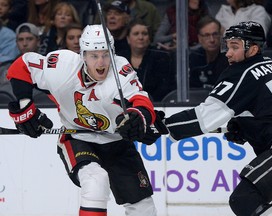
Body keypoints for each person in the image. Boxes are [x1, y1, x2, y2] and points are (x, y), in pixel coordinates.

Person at [6, 24, 167, 216]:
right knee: (95, 182)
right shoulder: (63, 65)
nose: (101, 62)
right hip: (78, 139)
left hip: (117, 142)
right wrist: (25, 107)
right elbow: (22, 66)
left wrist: (138, 118)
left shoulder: (120, 71)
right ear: (82, 55)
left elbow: (141, 101)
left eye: (105, 55)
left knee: (143, 207)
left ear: (113, 54)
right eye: (94, 55)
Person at [164, 21, 272, 216]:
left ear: (253, 49)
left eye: (235, 47)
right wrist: (245, 126)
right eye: (227, 46)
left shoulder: (242, 73)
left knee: (245, 198)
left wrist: (160, 125)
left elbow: (203, 118)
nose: (228, 53)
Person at [118, 19, 176, 102]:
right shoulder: (120, 59)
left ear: (149, 38)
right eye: (136, 34)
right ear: (128, 38)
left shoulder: (161, 58)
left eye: (144, 34)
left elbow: (165, 88)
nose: (140, 37)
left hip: (155, 104)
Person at [189, 15, 229, 89]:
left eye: (215, 34)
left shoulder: (229, 58)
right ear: (199, 38)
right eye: (207, 35)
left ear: (220, 35)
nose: (212, 40)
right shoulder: (193, 58)